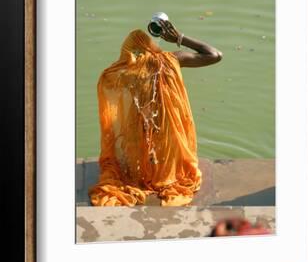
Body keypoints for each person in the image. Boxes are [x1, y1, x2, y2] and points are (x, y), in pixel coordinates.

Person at [88, 19, 223, 207]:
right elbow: (215, 55)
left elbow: (107, 84)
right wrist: (179, 38)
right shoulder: (172, 59)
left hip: (138, 123)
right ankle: (163, 178)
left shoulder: (124, 71)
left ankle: (144, 177)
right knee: (165, 158)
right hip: (168, 123)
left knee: (137, 161)